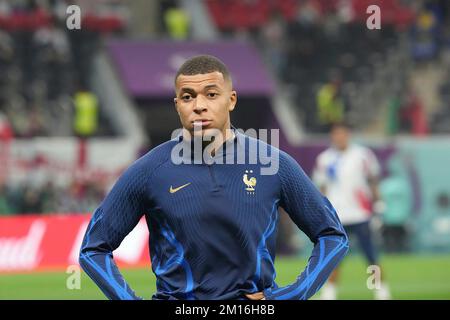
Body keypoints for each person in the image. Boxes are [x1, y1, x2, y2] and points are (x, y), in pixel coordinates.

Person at [79, 55, 348, 300]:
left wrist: (289, 297)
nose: (199, 106)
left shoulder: (273, 164)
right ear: (177, 105)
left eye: (210, 94)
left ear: (230, 100)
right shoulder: (149, 171)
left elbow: (332, 235)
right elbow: (93, 249)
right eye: (187, 97)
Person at [313, 122, 391, 300]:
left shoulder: (362, 155)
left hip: (359, 214)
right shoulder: (324, 159)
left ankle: (380, 291)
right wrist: (321, 212)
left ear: (348, 134)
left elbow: (372, 180)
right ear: (332, 136)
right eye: (336, 134)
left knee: (371, 256)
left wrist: (378, 204)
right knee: (333, 258)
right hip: (336, 216)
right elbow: (321, 188)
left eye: (342, 134)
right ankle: (329, 294)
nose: (339, 137)